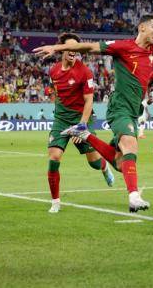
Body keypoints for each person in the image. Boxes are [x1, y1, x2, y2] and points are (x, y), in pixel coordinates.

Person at [34, 15, 153, 212]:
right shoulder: (122, 47)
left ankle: (86, 136)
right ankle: (133, 196)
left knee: (119, 162)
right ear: (142, 27)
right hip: (120, 107)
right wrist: (56, 48)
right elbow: (89, 47)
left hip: (134, 111)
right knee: (130, 145)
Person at [46, 33, 114, 214]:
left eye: (76, 48)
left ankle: (105, 167)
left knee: (92, 162)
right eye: (70, 48)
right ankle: (55, 201)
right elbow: (58, 94)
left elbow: (89, 101)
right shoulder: (53, 71)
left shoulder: (85, 72)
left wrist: (81, 125)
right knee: (54, 157)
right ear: (61, 49)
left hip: (82, 118)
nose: (73, 51)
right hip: (61, 119)